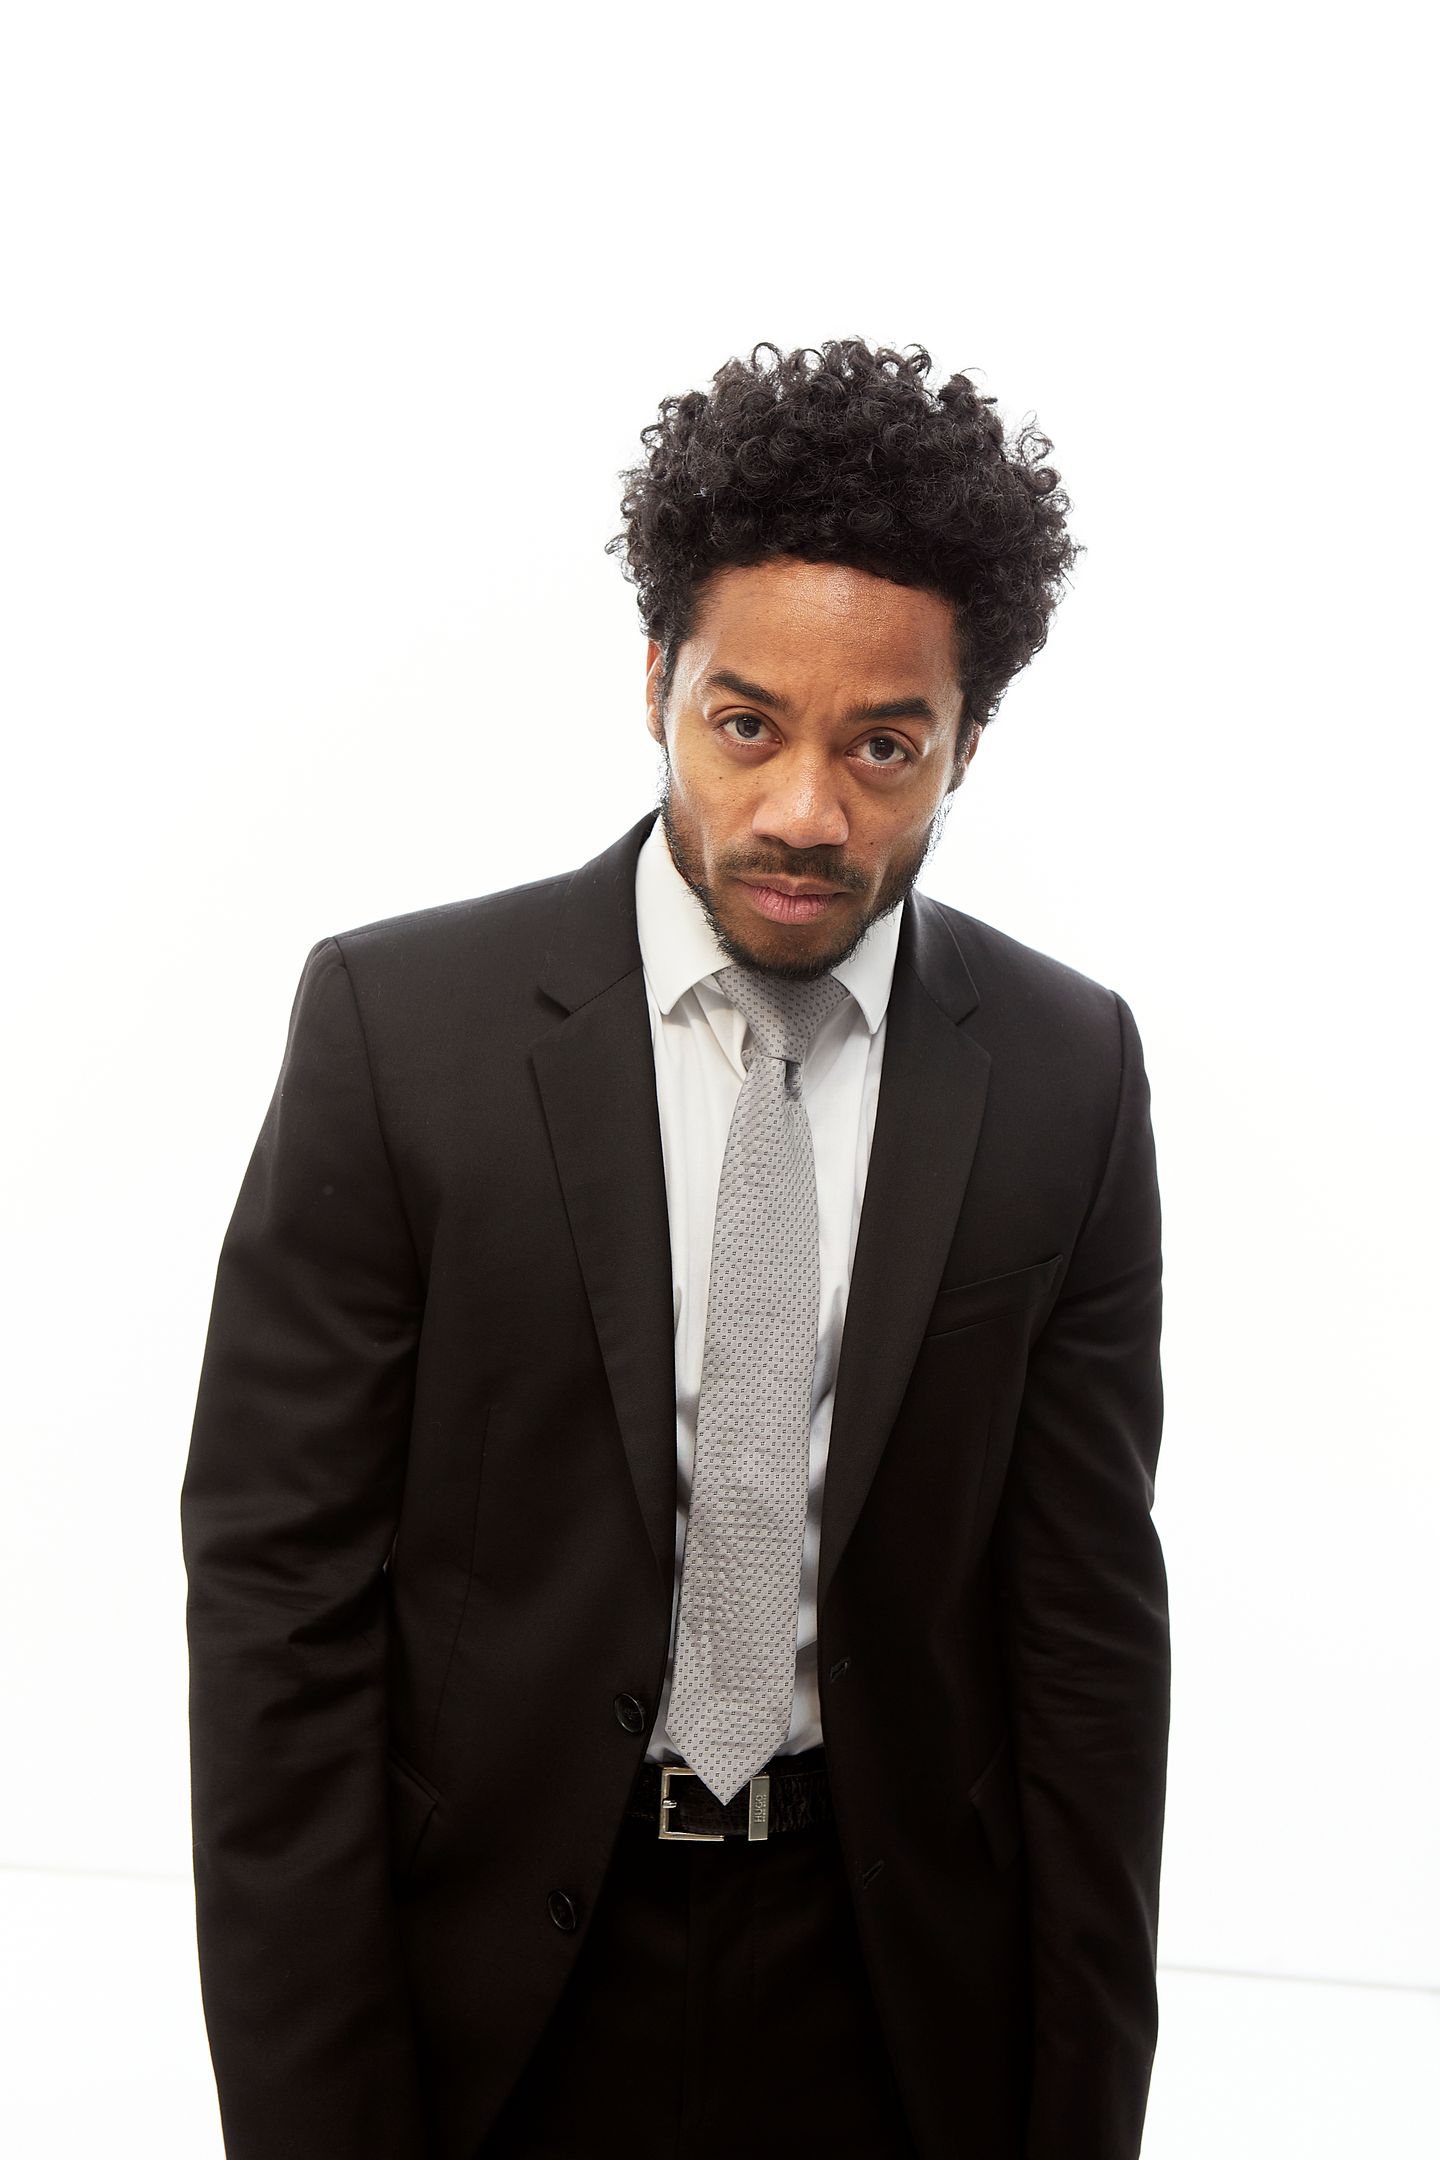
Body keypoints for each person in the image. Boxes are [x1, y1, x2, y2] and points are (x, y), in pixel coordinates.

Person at [181, 337, 1169, 2160]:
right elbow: (276, 1602)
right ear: (658, 681)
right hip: (493, 1991)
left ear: (967, 742)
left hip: (892, 1998)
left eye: (885, 746)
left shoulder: (1066, 1074)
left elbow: (1089, 1643)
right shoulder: (402, 1031)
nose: (807, 811)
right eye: (748, 724)